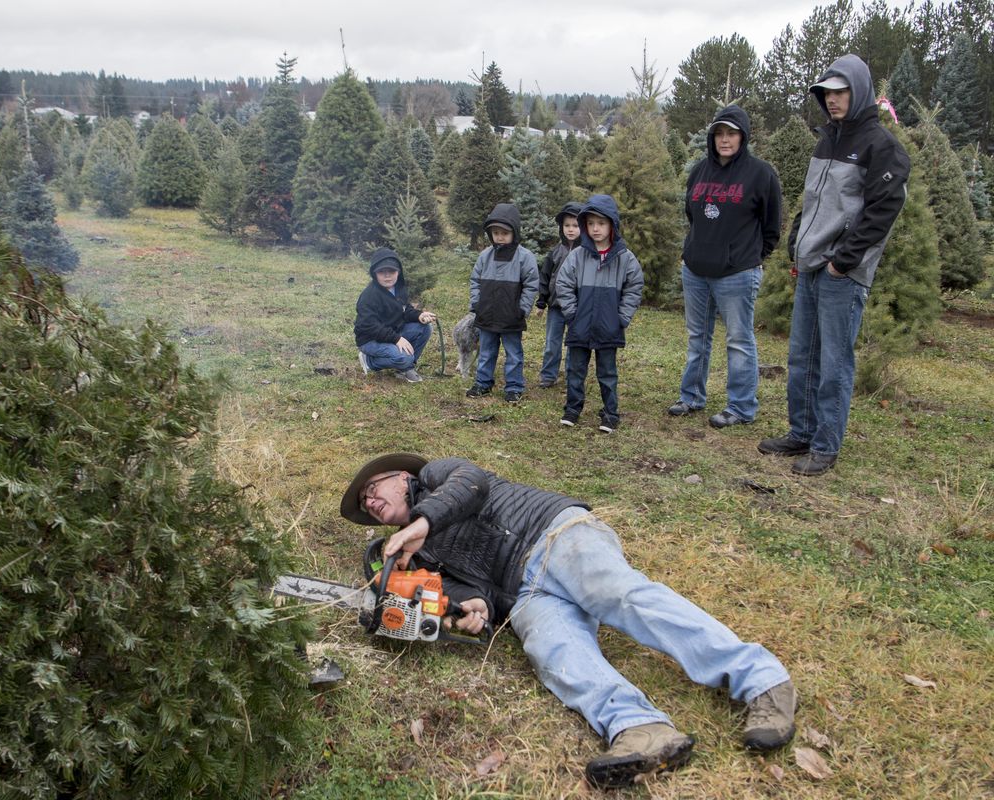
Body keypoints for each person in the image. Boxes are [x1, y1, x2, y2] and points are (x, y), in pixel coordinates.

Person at [341, 453, 797, 789]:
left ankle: (761, 681)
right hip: (524, 593)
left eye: (373, 489)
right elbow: (474, 597)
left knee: (620, 595)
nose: (371, 501)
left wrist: (423, 521)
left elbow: (472, 484)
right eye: (366, 504)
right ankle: (639, 728)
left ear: (402, 477)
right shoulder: (419, 558)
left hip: (553, 534)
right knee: (551, 649)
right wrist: (473, 610)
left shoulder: (437, 476)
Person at [759, 54, 909, 476]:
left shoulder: (881, 147)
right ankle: (802, 432)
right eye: (826, 93)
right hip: (810, 265)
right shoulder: (827, 141)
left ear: (858, 91)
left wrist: (843, 262)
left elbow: (882, 212)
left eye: (840, 91)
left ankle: (826, 445)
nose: (832, 101)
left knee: (834, 362)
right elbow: (815, 200)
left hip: (841, 273)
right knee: (802, 356)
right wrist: (797, 240)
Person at [670, 105, 782, 429]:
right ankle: (691, 396)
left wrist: (749, 257)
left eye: (731, 133)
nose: (724, 139)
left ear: (743, 136)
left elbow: (772, 225)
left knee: (738, 339)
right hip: (696, 271)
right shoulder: (700, 171)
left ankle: (741, 406)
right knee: (697, 337)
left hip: (737, 273)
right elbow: (692, 215)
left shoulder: (761, 174)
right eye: (719, 133)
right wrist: (694, 251)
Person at [554, 195, 643, 431]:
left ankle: (610, 414)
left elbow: (634, 287)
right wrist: (572, 313)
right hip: (579, 325)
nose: (595, 228)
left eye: (601, 223)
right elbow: (563, 284)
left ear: (612, 225)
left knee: (607, 372)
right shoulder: (577, 255)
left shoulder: (625, 258)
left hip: (608, 327)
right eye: (591, 223)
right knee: (575, 370)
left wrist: (621, 317)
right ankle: (572, 410)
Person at [465, 204, 539, 403]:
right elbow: (475, 281)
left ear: (514, 232)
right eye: (496, 233)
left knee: (513, 353)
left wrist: (522, 309)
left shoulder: (525, 257)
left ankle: (514, 386)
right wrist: (476, 303)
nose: (500, 237)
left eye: (504, 233)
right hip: (486, 315)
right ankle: (483, 382)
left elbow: (531, 285)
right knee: (486, 351)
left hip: (511, 317)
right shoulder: (485, 256)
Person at [354, 247, 437, 383]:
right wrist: (396, 339)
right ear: (374, 274)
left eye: (391, 271)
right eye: (382, 272)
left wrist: (419, 316)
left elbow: (406, 310)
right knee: (404, 357)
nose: (387, 276)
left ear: (398, 272)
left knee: (425, 328)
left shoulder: (399, 288)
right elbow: (369, 326)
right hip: (370, 339)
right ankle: (369, 361)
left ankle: (404, 368)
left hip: (391, 332)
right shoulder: (369, 296)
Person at [535, 201, 584, 389]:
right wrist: (541, 302)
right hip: (555, 307)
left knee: (574, 343)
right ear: (561, 227)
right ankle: (548, 375)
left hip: (577, 307)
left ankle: (573, 374)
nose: (570, 230)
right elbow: (545, 277)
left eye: (575, 226)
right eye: (567, 226)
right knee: (552, 343)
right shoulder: (555, 252)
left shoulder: (586, 253)